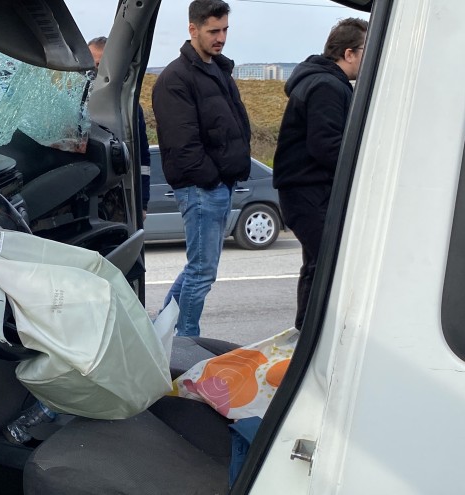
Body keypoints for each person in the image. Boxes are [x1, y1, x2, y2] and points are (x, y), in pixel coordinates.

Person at [151, 0, 251, 336]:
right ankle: (185, 340)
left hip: (219, 185)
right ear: (193, 29)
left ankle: (160, 333)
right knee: (202, 272)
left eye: (225, 30)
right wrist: (212, 180)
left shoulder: (218, 70)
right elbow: (183, 145)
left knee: (198, 269)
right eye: (213, 31)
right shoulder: (175, 78)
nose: (221, 37)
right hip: (201, 188)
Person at [273, 18, 368, 330]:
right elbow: (326, 146)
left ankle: (305, 334)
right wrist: (366, 167)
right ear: (349, 53)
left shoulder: (321, 81)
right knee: (329, 265)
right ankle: (312, 335)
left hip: (303, 190)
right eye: (366, 50)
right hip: (309, 191)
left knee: (317, 265)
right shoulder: (327, 86)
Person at [87, 36, 152, 219]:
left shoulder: (130, 108)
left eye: (100, 66)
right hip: (84, 197)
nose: (94, 72)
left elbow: (142, 157)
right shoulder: (75, 102)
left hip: (121, 198)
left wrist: (142, 202)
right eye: (92, 65)